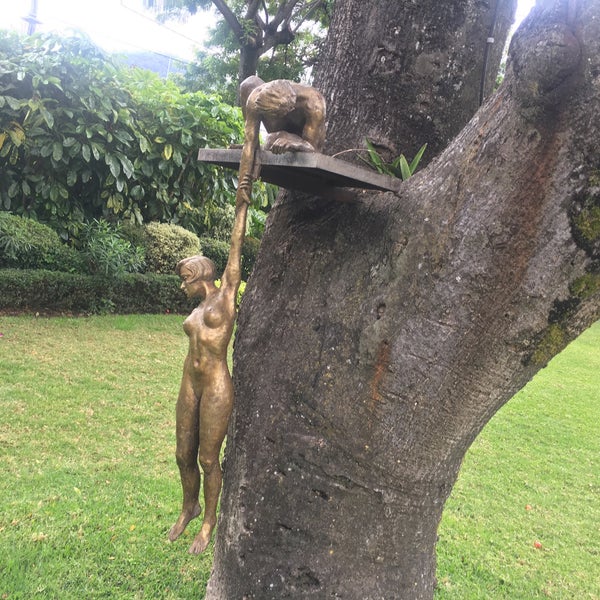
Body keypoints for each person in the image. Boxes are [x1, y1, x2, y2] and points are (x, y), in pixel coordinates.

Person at [168, 184, 249, 555]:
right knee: (183, 453)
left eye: (184, 277)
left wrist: (242, 203)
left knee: (206, 458)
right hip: (190, 381)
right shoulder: (197, 310)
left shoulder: (225, 297)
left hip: (216, 382)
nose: (181, 284)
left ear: (199, 276)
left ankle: (209, 520)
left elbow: (236, 250)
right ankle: (189, 507)